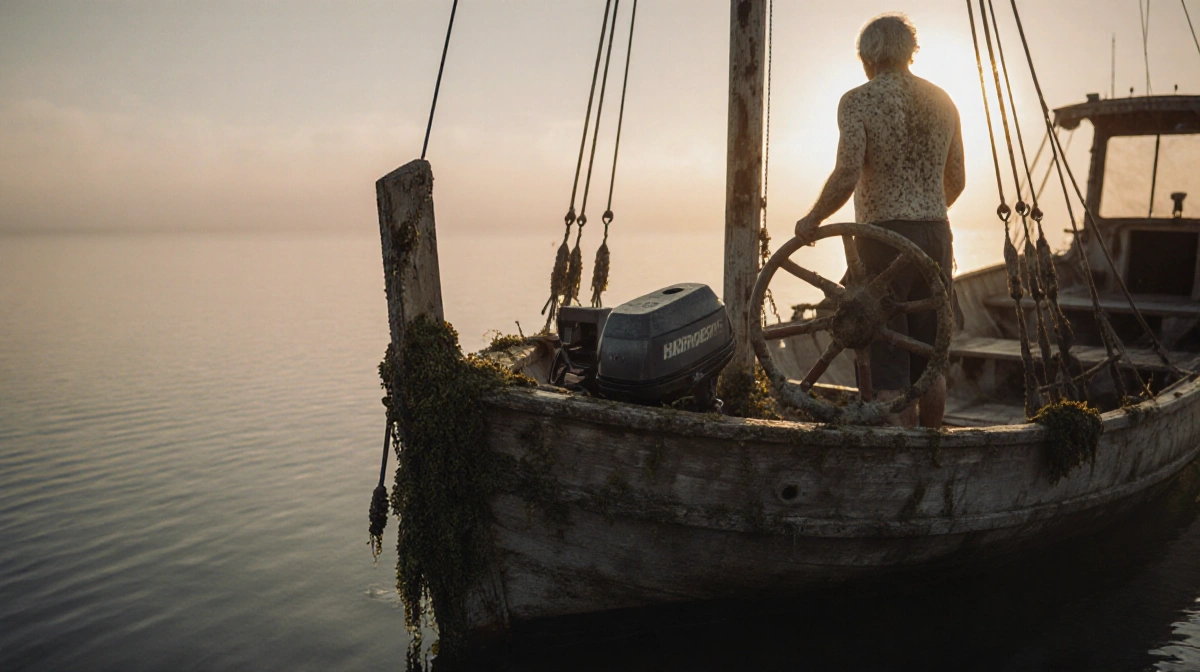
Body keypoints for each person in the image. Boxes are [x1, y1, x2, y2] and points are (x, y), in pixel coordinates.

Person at [794, 13, 965, 428]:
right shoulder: (943, 100)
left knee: (889, 363)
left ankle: (900, 456)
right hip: (935, 235)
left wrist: (813, 218)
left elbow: (847, 174)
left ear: (865, 57)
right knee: (931, 357)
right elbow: (957, 180)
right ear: (910, 52)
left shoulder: (858, 101)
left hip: (883, 240)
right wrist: (923, 211)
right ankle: (932, 448)